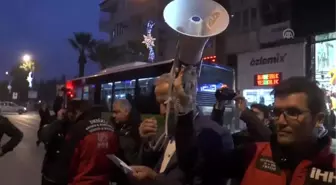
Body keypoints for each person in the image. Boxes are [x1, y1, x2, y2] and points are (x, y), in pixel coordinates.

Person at [176, 76, 336, 185]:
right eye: (277, 113)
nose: (280, 121)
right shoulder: (253, 153)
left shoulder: (332, 166)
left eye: (293, 113)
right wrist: (185, 111)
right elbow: (194, 165)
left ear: (318, 119)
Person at [129, 69, 233, 185]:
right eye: (158, 104)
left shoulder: (216, 134)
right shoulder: (167, 130)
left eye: (165, 103)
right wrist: (147, 142)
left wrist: (154, 178)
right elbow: (156, 166)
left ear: (184, 97)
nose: (162, 111)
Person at [40, 100, 119, 185]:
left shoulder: (78, 129)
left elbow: (69, 160)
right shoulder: (107, 126)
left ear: (76, 111)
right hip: (101, 180)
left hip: (67, 178)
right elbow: (43, 135)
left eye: (68, 110)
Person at [111, 99, 142, 165]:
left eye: (116, 112)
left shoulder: (136, 129)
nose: (113, 115)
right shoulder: (119, 125)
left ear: (126, 111)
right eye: (113, 112)